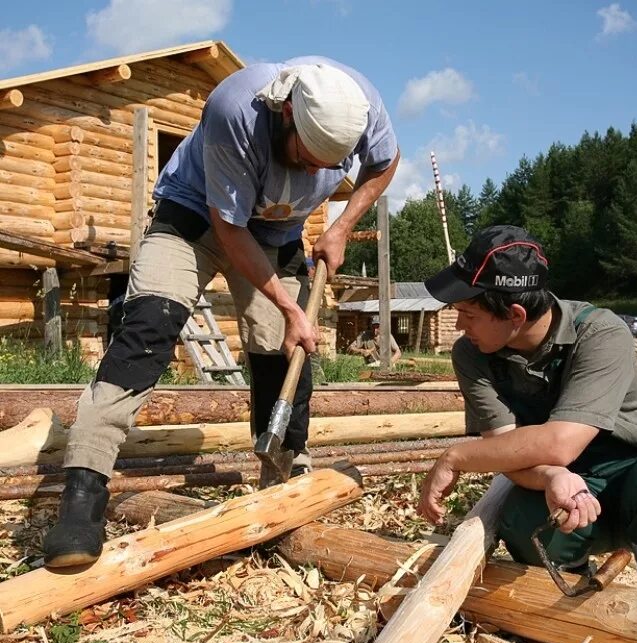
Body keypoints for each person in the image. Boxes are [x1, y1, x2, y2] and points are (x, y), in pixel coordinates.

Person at [43, 57, 399, 568]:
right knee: (146, 329)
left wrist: (341, 226)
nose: (319, 172)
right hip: (193, 217)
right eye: (309, 156)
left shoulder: (362, 104)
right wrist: (286, 303)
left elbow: (386, 162)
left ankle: (283, 476)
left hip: (274, 234)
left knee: (282, 348)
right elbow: (229, 230)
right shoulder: (236, 109)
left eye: (331, 163)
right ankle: (83, 490)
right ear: (286, 116)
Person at [418, 225, 637, 588]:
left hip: (631, 473)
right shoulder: (472, 354)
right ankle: (576, 606)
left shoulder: (599, 333)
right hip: (569, 486)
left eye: (469, 313)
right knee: (523, 521)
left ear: (515, 316)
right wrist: (550, 476)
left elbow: (561, 443)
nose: (460, 324)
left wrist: (455, 456)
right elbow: (504, 448)